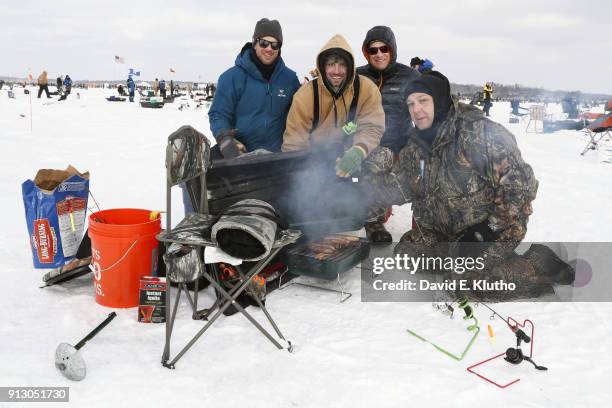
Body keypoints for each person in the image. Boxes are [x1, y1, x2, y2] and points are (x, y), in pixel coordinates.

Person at [363, 72, 543, 299]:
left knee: (467, 285)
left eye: (423, 101)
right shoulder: (415, 146)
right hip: (445, 233)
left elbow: (521, 186)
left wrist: (488, 230)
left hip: (492, 230)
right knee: (406, 253)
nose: (416, 109)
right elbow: (398, 188)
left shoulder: (478, 133)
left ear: (438, 101)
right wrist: (362, 185)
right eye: (410, 104)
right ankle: (458, 261)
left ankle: (538, 264)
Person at [282, 34, 385, 180]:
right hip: (312, 160)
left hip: (351, 153)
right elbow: (294, 143)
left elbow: (372, 126)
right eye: (331, 64)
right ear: (323, 67)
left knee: (379, 157)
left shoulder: (367, 89)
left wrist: (359, 150)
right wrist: (302, 177)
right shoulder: (305, 95)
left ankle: (370, 200)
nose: (336, 71)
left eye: (342, 65)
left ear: (350, 67)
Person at [356, 25, 420, 242]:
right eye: (373, 50)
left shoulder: (409, 76)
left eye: (384, 49)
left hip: (402, 144)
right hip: (369, 145)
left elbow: (424, 112)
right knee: (372, 164)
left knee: (428, 169)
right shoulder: (358, 77)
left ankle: (424, 229)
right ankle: (373, 222)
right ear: (366, 52)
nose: (379, 54)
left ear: (391, 49)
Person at [208, 18, 301, 158]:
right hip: (240, 152)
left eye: (275, 45)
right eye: (264, 43)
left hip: (277, 155)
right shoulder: (231, 77)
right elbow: (218, 114)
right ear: (254, 43)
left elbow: (300, 114)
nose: (269, 49)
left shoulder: (290, 79)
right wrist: (225, 140)